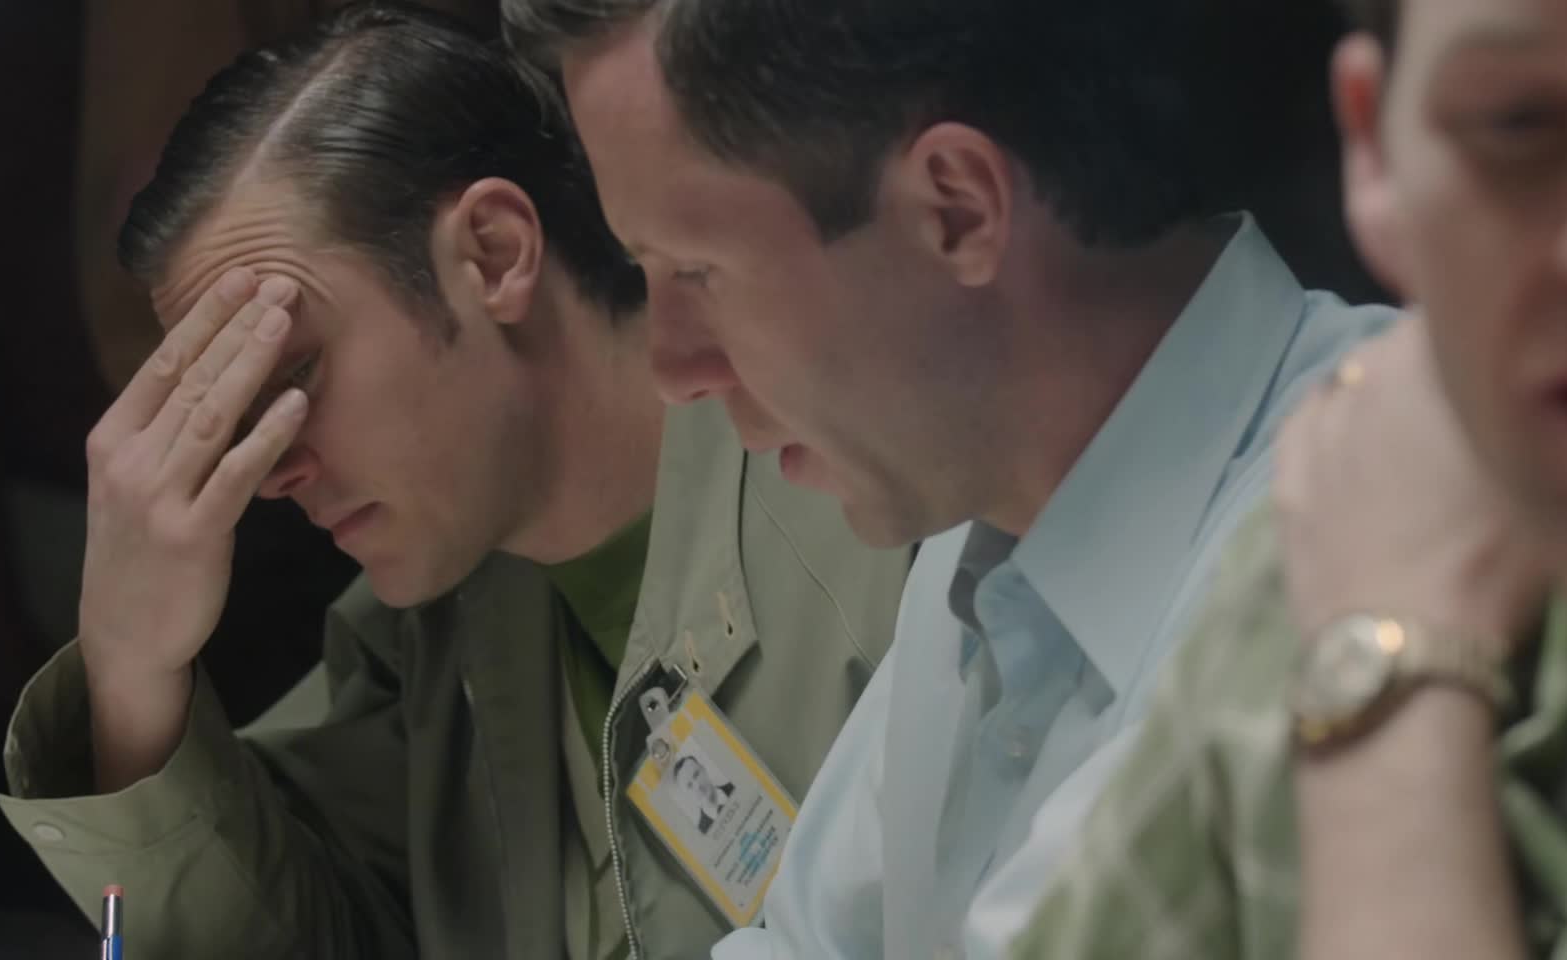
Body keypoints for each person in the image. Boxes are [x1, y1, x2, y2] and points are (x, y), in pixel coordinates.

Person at [0, 5, 909, 959]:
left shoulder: (880, 504)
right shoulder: (420, 653)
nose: (272, 470)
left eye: (296, 372)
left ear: (494, 254)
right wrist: (132, 671)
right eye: (236, 416)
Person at [502, 1, 1393, 956]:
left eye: (697, 271)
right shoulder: (984, 543)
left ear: (956, 209)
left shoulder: (1362, 542)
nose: (673, 368)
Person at [1009, 0, 1567, 956]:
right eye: (1518, 120)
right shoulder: (1334, 541)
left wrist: (1384, 682)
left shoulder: (1346, 602)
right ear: (1375, 152)